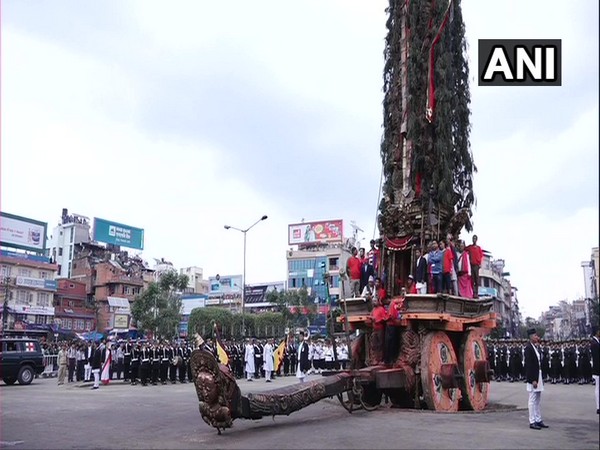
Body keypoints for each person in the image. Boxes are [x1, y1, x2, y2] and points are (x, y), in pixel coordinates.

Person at [524, 328, 548, 430]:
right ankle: (532, 421)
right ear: (530, 337)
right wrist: (532, 379)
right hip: (533, 376)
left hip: (538, 374)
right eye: (534, 336)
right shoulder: (528, 348)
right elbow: (528, 365)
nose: (537, 337)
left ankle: (538, 419)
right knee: (532, 399)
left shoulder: (536, 347)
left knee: (538, 399)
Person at [591, 327, 600, 414]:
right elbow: (596, 358)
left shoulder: (597, 342)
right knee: (598, 388)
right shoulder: (594, 343)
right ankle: (598, 407)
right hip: (598, 369)